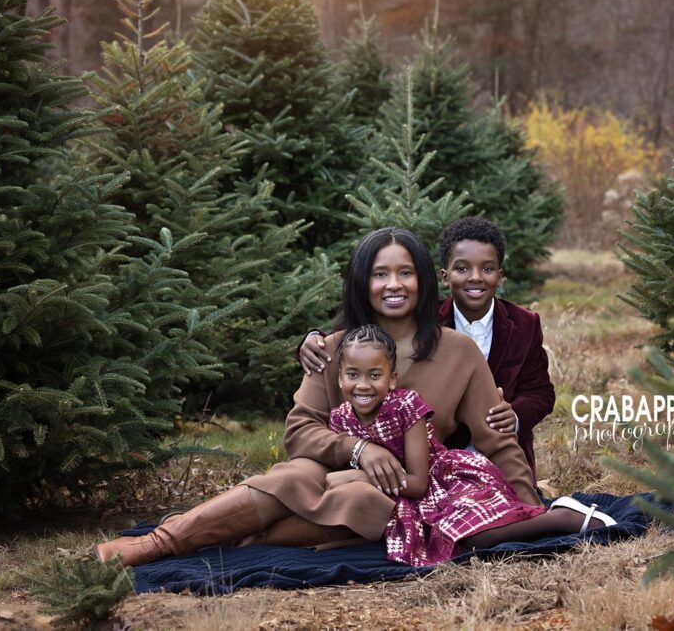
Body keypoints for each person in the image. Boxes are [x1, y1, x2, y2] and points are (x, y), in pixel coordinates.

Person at [94, 227, 541, 567]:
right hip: (325, 465)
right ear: (362, 282)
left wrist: (529, 509)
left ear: (424, 280)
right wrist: (358, 449)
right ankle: (158, 544)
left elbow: (496, 438)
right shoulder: (331, 347)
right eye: (380, 273)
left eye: (405, 273)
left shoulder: (456, 351)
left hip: (397, 487)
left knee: (364, 499)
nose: (394, 284)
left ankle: (248, 540)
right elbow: (300, 430)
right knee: (293, 478)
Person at [327, 324, 611, 567]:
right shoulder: (340, 420)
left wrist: (362, 478)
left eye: (374, 375)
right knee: (448, 541)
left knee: (470, 537)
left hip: (445, 482)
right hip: (403, 501)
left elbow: (418, 482)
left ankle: (563, 517)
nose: (363, 385)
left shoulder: (406, 406)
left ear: (392, 379)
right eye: (353, 375)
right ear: (340, 378)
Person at [299, 216, 555, 478]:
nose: (475, 278)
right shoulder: (423, 315)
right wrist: (312, 339)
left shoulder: (524, 323)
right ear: (444, 276)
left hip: (492, 441)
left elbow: (541, 392)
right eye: (463, 269)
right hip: (439, 450)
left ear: (500, 276)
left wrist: (514, 416)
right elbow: (362, 338)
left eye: (487, 269)